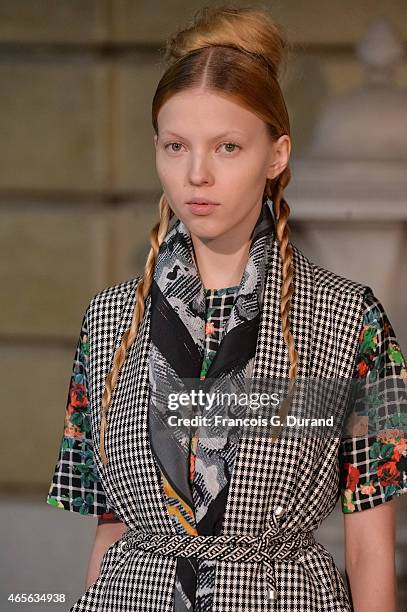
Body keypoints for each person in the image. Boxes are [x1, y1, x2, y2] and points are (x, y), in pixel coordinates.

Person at [46, 6, 407, 612]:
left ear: (276, 155)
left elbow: (371, 548)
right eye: (176, 145)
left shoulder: (350, 321)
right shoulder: (107, 321)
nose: (197, 173)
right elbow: (111, 529)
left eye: (228, 146)